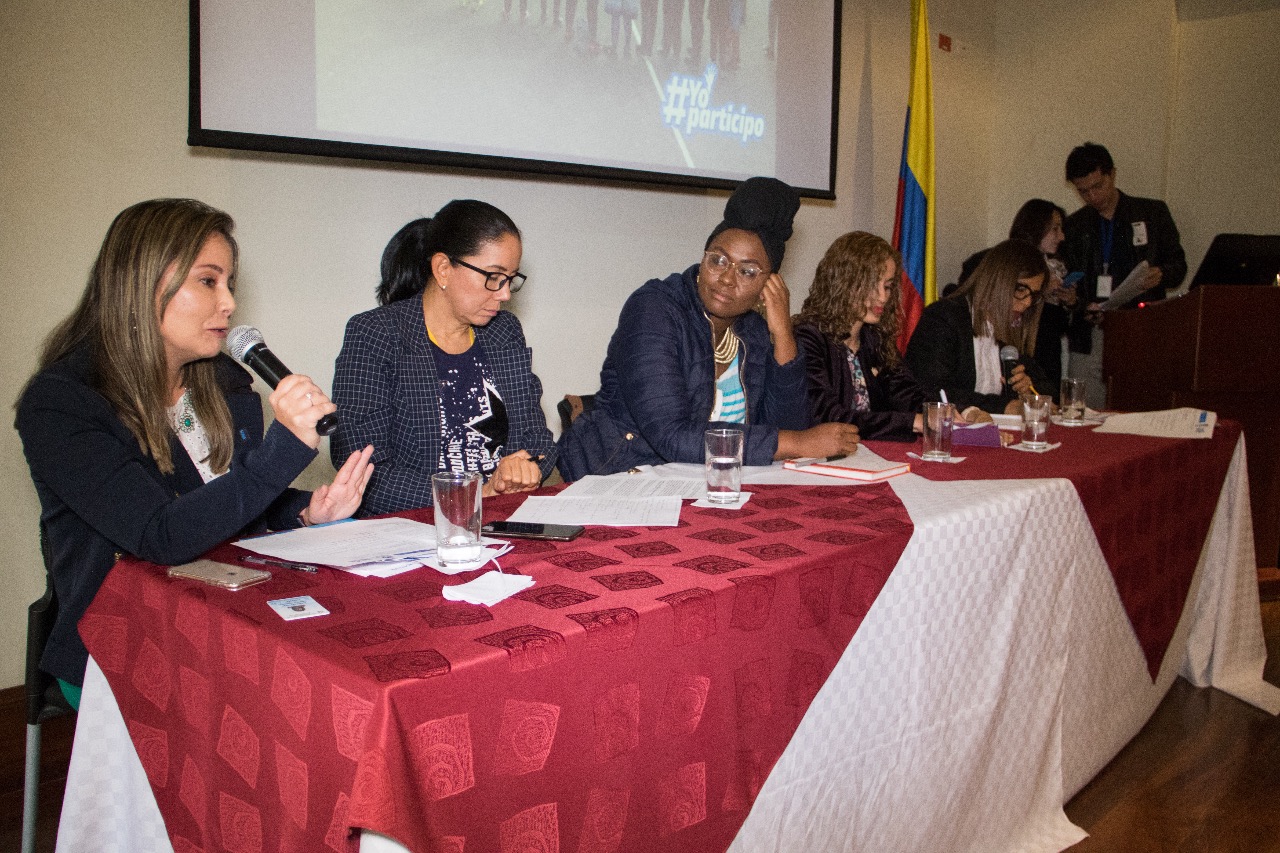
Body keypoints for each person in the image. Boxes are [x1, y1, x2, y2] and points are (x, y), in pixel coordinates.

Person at [14, 198, 374, 705]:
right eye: (208, 281)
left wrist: (307, 512)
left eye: (230, 284)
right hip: (123, 638)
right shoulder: (63, 403)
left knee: (344, 677)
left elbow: (227, 504)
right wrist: (285, 448)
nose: (227, 303)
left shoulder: (225, 384)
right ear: (141, 284)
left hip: (230, 612)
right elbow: (161, 534)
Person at [556, 177, 861, 480]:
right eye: (718, 260)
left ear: (769, 284)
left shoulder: (754, 331)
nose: (727, 279)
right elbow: (671, 435)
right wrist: (798, 442)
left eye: (747, 271)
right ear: (702, 261)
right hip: (614, 474)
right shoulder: (654, 308)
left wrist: (782, 333)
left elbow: (786, 426)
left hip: (704, 484)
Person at [331, 201, 556, 515]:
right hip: (413, 528)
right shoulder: (376, 334)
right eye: (493, 277)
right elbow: (364, 471)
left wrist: (523, 469)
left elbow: (537, 439)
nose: (504, 294)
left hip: (502, 518)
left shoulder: (504, 331)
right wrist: (473, 494)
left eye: (511, 279)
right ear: (443, 269)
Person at [1061, 142, 1187, 409]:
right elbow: (1070, 278)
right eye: (1083, 191)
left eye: (1098, 186)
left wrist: (1161, 273)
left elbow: (1179, 267)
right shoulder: (1074, 226)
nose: (1093, 196)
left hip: (1140, 328)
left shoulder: (1152, 214)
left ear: (1112, 175)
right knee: (1084, 409)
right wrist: (1081, 305)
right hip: (1091, 330)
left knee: (1136, 406)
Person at [792, 231, 925, 441]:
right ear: (844, 283)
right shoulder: (808, 337)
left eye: (888, 286)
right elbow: (827, 416)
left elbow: (907, 394)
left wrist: (957, 412)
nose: (883, 297)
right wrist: (909, 423)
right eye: (873, 286)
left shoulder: (875, 337)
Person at [905, 239, 1051, 416]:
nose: (1028, 302)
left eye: (1034, 295)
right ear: (997, 281)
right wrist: (1003, 406)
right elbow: (930, 391)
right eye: (1021, 290)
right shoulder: (944, 317)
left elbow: (1046, 386)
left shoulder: (1013, 325)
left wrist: (1028, 389)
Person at [959, 199, 1078, 396]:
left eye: (1034, 294)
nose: (1061, 236)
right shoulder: (988, 260)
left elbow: (1047, 393)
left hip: (1041, 353)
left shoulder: (1058, 266)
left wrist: (1071, 302)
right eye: (1055, 229)